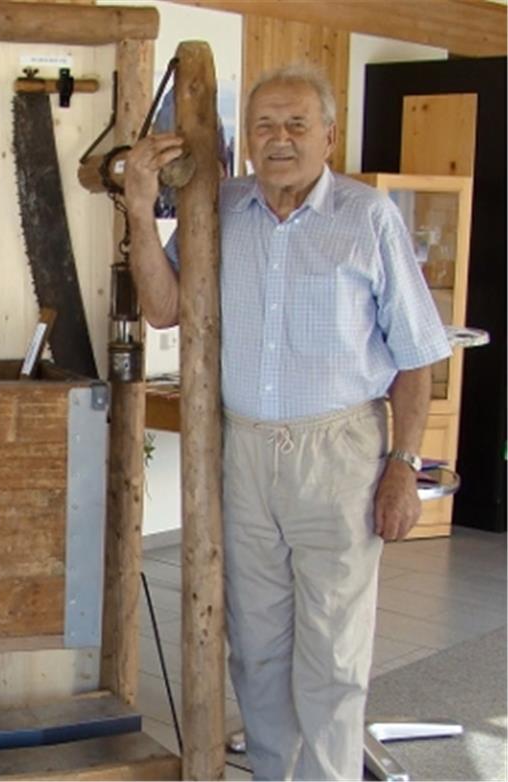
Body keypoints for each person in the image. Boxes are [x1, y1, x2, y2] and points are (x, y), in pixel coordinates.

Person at [124, 64, 450, 780]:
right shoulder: (221, 208)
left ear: (329, 136)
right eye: (265, 125)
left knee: (332, 650)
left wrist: (402, 466)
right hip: (242, 453)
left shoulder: (366, 218)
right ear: (247, 140)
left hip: (338, 454)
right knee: (259, 645)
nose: (280, 140)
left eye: (297, 124)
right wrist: (142, 211)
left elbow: (418, 357)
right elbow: (161, 307)